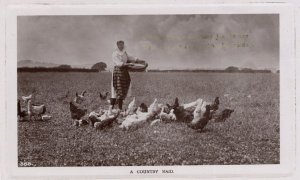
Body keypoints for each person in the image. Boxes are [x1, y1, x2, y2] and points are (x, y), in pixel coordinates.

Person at [109, 40, 139, 113]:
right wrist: (128, 64)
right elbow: (119, 63)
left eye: (122, 44)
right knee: (117, 89)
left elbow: (129, 58)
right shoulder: (115, 54)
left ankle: (119, 108)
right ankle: (114, 108)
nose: (121, 46)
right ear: (117, 45)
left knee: (122, 89)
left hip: (124, 72)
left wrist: (138, 60)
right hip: (118, 72)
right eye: (119, 45)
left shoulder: (124, 53)